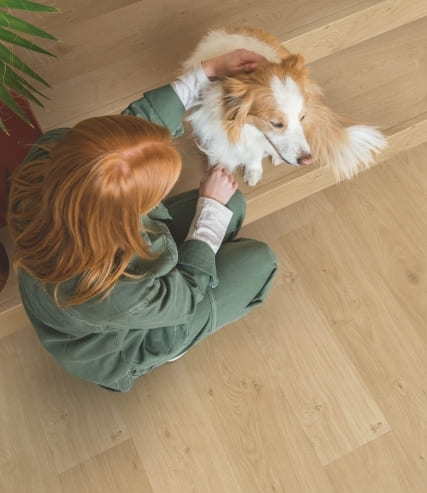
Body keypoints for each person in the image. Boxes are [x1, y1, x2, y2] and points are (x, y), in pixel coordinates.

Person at [7, 50, 278, 392]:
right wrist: (208, 210)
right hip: (128, 342)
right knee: (260, 261)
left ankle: (199, 241)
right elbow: (183, 298)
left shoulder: (51, 153)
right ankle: (168, 349)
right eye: (154, 194)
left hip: (113, 264)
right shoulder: (104, 289)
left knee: (233, 205)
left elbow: (124, 140)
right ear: (125, 214)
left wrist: (205, 74)